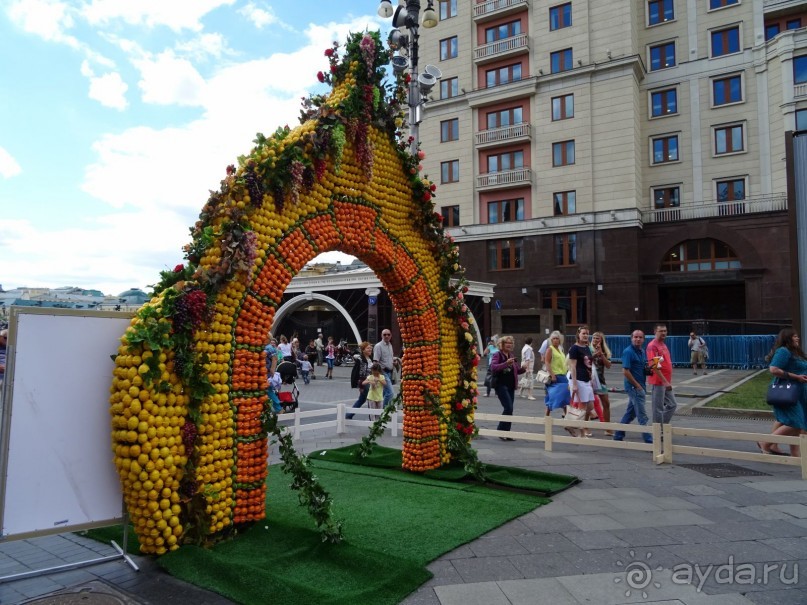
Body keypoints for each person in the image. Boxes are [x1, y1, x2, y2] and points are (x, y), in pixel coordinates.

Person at [762, 328, 807, 456]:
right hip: (788, 392)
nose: (798, 338)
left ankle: (795, 454)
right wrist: (796, 377)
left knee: (799, 424)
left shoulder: (795, 352)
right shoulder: (783, 351)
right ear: (787, 338)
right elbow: (773, 369)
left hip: (798, 392)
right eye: (795, 336)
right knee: (796, 423)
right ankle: (765, 443)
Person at [613, 330, 652, 444]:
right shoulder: (628, 352)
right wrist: (637, 385)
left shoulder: (642, 351)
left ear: (643, 339)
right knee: (642, 415)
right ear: (631, 338)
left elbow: (641, 367)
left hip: (640, 386)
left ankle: (618, 435)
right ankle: (649, 441)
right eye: (635, 337)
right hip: (634, 387)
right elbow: (625, 371)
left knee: (630, 413)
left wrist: (649, 370)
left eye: (640, 337)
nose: (638, 339)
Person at [489, 335, 525, 440]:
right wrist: (506, 363)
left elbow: (516, 370)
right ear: (502, 344)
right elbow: (493, 367)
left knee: (510, 409)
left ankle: (507, 433)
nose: (509, 345)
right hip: (501, 385)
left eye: (510, 343)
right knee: (508, 408)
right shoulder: (497, 355)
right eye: (507, 343)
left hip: (511, 386)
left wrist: (523, 368)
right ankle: (501, 431)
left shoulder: (511, 355)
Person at [568, 326, 596, 438]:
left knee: (590, 406)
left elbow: (589, 363)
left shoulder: (587, 347)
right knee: (583, 406)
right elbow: (572, 366)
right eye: (583, 333)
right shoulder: (574, 348)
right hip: (578, 379)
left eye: (587, 333)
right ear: (578, 334)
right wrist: (574, 383)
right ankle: (581, 430)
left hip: (587, 379)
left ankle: (573, 424)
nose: (585, 335)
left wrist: (591, 378)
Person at [646, 323, 677, 424]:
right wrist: (665, 382)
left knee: (672, 404)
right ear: (655, 332)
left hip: (665, 381)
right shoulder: (653, 346)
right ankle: (658, 429)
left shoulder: (663, 344)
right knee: (658, 408)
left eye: (665, 331)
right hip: (659, 382)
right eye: (661, 331)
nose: (663, 333)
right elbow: (655, 365)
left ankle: (661, 425)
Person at [544, 331, 570, 417]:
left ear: (560, 340)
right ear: (551, 340)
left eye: (557, 338)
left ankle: (566, 414)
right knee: (553, 396)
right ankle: (547, 415)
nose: (555, 340)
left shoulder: (560, 349)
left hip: (563, 375)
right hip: (555, 376)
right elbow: (547, 362)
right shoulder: (550, 349)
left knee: (565, 396)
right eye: (554, 338)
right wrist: (552, 375)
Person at [590, 331, 612, 433]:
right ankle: (585, 428)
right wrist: (595, 354)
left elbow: (608, 365)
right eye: (594, 338)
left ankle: (607, 428)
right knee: (588, 405)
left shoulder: (605, 351)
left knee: (606, 403)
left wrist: (601, 354)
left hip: (600, 381)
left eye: (597, 338)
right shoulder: (588, 349)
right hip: (589, 380)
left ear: (601, 340)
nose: (595, 340)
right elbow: (586, 360)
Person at [346, 341, 373, 420]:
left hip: (369, 381)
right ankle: (372, 417)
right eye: (368, 348)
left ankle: (349, 415)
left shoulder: (370, 358)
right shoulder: (360, 360)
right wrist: (360, 386)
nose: (370, 349)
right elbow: (357, 373)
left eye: (370, 348)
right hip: (364, 382)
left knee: (362, 400)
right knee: (371, 399)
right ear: (363, 350)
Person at [373, 329, 396, 407]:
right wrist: (376, 375)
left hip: (389, 372)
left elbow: (389, 358)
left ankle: (378, 410)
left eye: (388, 334)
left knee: (384, 393)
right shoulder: (378, 346)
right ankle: (384, 410)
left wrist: (394, 362)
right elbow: (375, 361)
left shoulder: (390, 345)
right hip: (383, 372)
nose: (386, 336)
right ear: (381, 335)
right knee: (390, 393)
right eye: (384, 334)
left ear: (391, 336)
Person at [264, 334, 282, 413]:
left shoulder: (269, 347)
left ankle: (279, 408)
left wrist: (272, 370)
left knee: (268, 390)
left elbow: (275, 359)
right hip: (264, 372)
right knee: (268, 390)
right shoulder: (265, 347)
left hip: (267, 372)